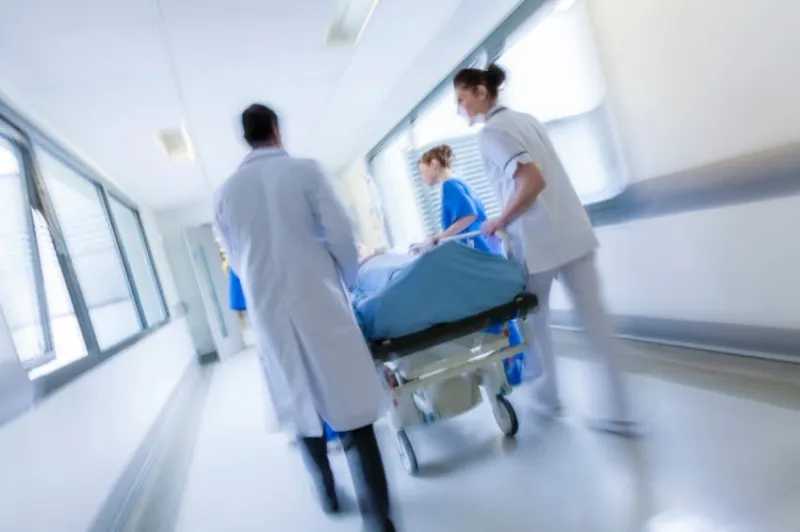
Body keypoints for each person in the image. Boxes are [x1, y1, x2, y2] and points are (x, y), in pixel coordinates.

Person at [213, 103, 396, 531]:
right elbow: (340, 233)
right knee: (351, 410)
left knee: (299, 404)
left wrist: (263, 283)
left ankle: (328, 496)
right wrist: (347, 279)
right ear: (276, 130)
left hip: (269, 311)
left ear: (247, 137)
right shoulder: (306, 171)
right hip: (320, 301)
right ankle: (379, 520)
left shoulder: (224, 194)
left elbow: (236, 259)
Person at [452, 64, 639, 436]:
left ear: (480, 91)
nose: (459, 108)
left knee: (534, 323)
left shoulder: (492, 132)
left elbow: (532, 180)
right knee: (597, 322)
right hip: (573, 233)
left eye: (461, 99)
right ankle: (621, 410)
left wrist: (498, 220)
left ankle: (548, 395)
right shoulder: (526, 120)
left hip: (538, 243)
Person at [413, 144, 531, 385]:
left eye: (423, 170)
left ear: (434, 164)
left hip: (477, 257)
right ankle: (515, 364)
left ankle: (514, 366)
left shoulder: (450, 186)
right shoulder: (459, 184)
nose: (423, 177)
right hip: (484, 254)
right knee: (498, 313)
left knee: (493, 314)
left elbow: (469, 217)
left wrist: (439, 238)